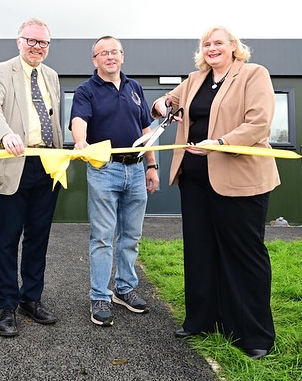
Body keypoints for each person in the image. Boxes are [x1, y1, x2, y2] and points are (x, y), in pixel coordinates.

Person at [150, 26, 280, 359]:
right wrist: (163, 104)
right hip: (194, 178)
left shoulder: (253, 74)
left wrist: (220, 143)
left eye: (218, 43)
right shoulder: (195, 79)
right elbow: (165, 102)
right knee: (200, 250)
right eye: (206, 44)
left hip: (239, 177)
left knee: (242, 253)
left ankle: (253, 334)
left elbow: (259, 123)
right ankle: (202, 320)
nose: (212, 48)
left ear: (234, 47)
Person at [0, 18, 63, 337]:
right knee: (7, 239)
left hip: (46, 164)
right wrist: (5, 135)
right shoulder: (0, 71)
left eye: (43, 43)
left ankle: (31, 298)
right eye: (31, 40)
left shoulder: (52, 76)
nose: (37, 47)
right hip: (13, 163)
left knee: (38, 237)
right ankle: (5, 306)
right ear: (18, 41)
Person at [70, 36, 159, 327]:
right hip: (104, 170)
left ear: (122, 56)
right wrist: (80, 141)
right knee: (102, 236)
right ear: (94, 60)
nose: (110, 57)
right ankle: (99, 295)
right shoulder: (86, 91)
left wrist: (152, 166)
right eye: (103, 53)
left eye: (114, 52)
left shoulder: (135, 88)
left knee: (131, 235)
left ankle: (125, 288)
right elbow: (79, 120)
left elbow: (146, 129)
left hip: (135, 171)